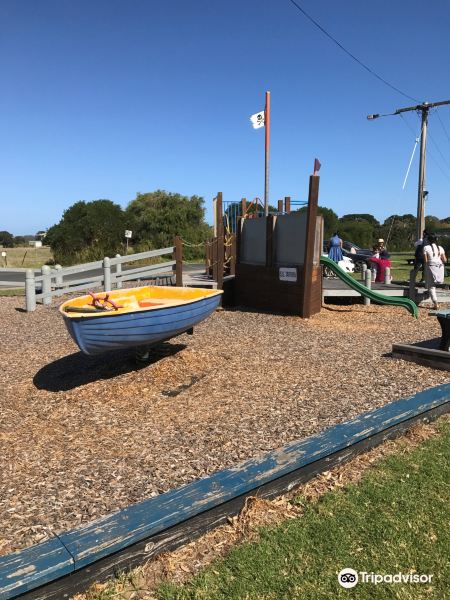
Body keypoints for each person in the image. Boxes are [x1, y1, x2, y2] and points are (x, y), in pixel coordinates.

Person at [423, 234, 447, 310]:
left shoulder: (426, 247)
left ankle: (435, 303)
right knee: (434, 285)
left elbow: (425, 260)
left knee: (431, 286)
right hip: (439, 267)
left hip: (430, 267)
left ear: (428, 240)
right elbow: (445, 260)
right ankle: (431, 295)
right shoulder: (440, 248)